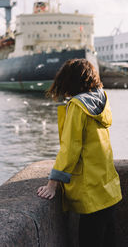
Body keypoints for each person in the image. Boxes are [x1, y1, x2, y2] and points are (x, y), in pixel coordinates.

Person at [37, 58, 122, 247]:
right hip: (109, 190)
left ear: (70, 80)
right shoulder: (101, 100)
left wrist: (52, 183)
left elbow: (70, 149)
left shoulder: (78, 106)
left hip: (91, 193)